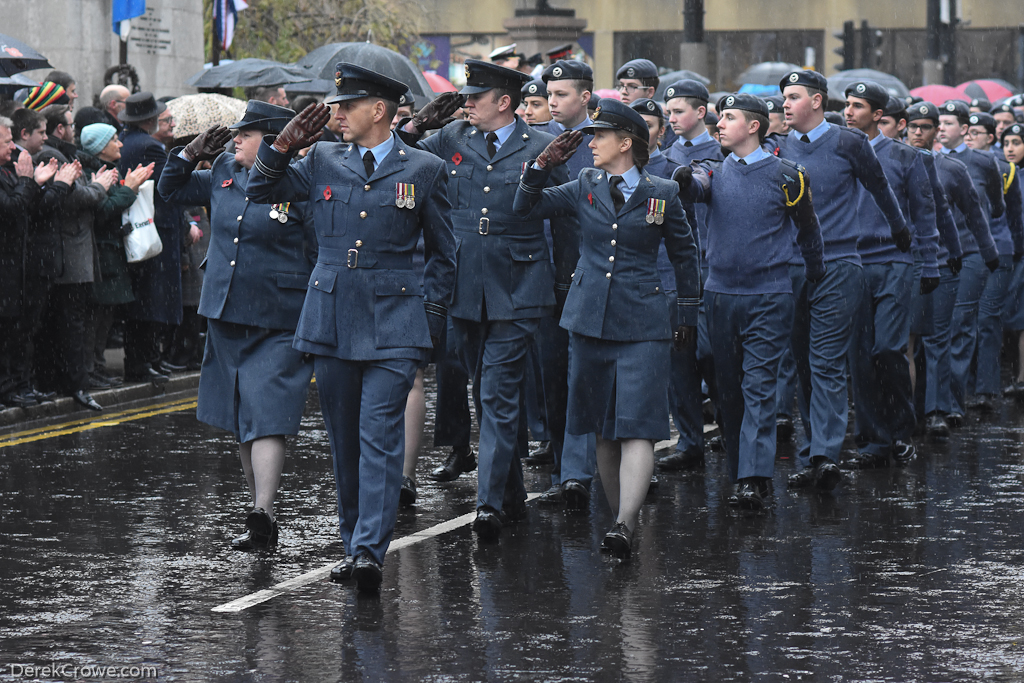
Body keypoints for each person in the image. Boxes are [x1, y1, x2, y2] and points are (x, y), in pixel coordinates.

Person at [246, 64, 456, 592]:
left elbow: (444, 254)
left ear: (378, 110)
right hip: (332, 316)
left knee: (379, 437)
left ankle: (368, 552)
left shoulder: (424, 168)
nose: (334, 114)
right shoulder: (320, 159)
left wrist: (428, 319)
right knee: (344, 442)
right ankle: (352, 540)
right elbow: (258, 190)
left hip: (395, 321)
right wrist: (282, 147)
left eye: (346, 105)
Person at [399, 60, 577, 538]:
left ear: (504, 102)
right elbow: (396, 154)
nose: (466, 104)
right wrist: (418, 124)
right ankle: (512, 494)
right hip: (464, 283)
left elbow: (565, 217)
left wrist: (564, 282)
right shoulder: (453, 138)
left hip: (519, 283)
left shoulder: (541, 146)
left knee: (497, 393)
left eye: (475, 97)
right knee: (485, 391)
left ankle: (490, 505)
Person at [513, 100, 699, 557]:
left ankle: (623, 523)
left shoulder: (663, 192)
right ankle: (621, 523)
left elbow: (685, 255)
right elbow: (525, 209)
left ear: (625, 143)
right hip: (589, 318)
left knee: (638, 425)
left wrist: (688, 314)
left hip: (643, 321)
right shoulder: (583, 184)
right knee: (601, 428)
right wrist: (539, 166)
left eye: (599, 136)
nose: (591, 143)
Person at [160, 101, 318, 551]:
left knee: (268, 415)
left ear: (272, 139)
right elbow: (169, 191)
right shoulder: (224, 169)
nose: (235, 141)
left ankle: (263, 510)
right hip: (227, 310)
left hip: (279, 315)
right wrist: (188, 153)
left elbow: (318, 247)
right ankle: (258, 509)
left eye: (245, 134)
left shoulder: (298, 178)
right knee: (241, 417)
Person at [679, 93, 824, 510]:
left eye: (729, 118)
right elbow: (697, 187)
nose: (719, 124)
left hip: (769, 295)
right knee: (729, 389)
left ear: (755, 126)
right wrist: (683, 180)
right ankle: (741, 470)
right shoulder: (713, 170)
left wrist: (815, 272)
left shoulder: (788, 175)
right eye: (719, 117)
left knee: (759, 386)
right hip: (721, 295)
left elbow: (808, 231)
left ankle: (754, 477)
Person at [777, 70, 909, 491]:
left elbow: (880, 187)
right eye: (784, 97)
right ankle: (811, 451)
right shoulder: (776, 147)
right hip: (791, 269)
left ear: (817, 101)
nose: (784, 104)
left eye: (793, 97)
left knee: (827, 362)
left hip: (839, 265)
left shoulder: (849, 142)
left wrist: (900, 230)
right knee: (802, 365)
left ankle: (825, 455)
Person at [842, 81, 939, 468]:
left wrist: (929, 262)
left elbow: (925, 214)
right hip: (852, 263)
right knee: (859, 356)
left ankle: (901, 430)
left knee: (888, 348)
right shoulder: (840, 153)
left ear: (879, 115)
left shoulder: (904, 157)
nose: (849, 112)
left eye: (858, 106)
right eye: (847, 105)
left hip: (895, 262)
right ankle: (872, 440)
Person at [906, 101, 997, 436]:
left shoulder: (952, 168)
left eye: (926, 127)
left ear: (935, 133)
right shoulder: (892, 163)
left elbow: (975, 213)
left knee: (939, 338)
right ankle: (907, 410)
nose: (919, 132)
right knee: (905, 342)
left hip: (944, 261)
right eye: (913, 126)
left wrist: (988, 255)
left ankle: (936, 410)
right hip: (903, 262)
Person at [33, 107, 118, 411]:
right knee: (70, 325)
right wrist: (100, 186)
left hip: (74, 255)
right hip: (66, 257)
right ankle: (74, 385)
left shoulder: (64, 155)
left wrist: (95, 188)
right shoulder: (49, 156)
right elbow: (78, 198)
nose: (72, 130)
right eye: (68, 125)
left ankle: (69, 382)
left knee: (71, 324)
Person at [659, 78, 723, 473]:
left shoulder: (721, 153)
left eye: (679, 111)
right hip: (675, 268)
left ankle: (729, 427)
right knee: (679, 357)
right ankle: (690, 439)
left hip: (712, 265)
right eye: (668, 113)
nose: (672, 119)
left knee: (714, 355)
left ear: (701, 112)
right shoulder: (666, 157)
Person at [937, 99, 1006, 424]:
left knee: (961, 325)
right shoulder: (927, 161)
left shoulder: (982, 162)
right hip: (936, 254)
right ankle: (933, 402)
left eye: (948, 123)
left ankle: (952, 403)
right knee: (936, 328)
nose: (940, 128)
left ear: (964, 130)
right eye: (940, 122)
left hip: (971, 252)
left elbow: (997, 205)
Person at [77, 124, 151, 390]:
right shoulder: (89, 172)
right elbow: (102, 211)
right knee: (94, 316)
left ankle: (97, 366)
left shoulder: (109, 170)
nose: (120, 145)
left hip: (111, 252)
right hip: (101, 253)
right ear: (99, 147)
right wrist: (129, 189)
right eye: (114, 141)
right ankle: (89, 369)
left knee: (105, 316)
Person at [118, 92, 184, 386]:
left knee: (140, 299)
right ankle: (142, 361)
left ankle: (142, 360)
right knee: (151, 300)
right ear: (150, 119)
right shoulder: (150, 147)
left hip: (134, 226)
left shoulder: (126, 141)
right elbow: (168, 189)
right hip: (154, 229)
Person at [0, 116, 66, 408]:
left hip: (20, 265)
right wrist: (29, 181)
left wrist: (34, 182)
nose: (10, 146)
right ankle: (8, 387)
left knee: (20, 329)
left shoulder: (8, 169)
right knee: (8, 330)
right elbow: (11, 208)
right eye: (5, 141)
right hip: (8, 264)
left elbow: (24, 203)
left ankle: (20, 385)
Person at [963, 111, 1023, 409]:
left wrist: (1013, 250)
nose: (970, 136)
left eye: (977, 132)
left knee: (987, 318)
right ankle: (961, 390)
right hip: (965, 251)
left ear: (990, 137)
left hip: (998, 252)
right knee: (963, 321)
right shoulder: (955, 163)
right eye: (968, 131)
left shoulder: (1004, 169)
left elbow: (1013, 215)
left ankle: (985, 389)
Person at [998, 123, 1024, 397]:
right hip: (1009, 252)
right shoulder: (1002, 172)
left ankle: (1021, 377)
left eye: (1016, 142)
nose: (1010, 149)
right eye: (1006, 143)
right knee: (1011, 318)